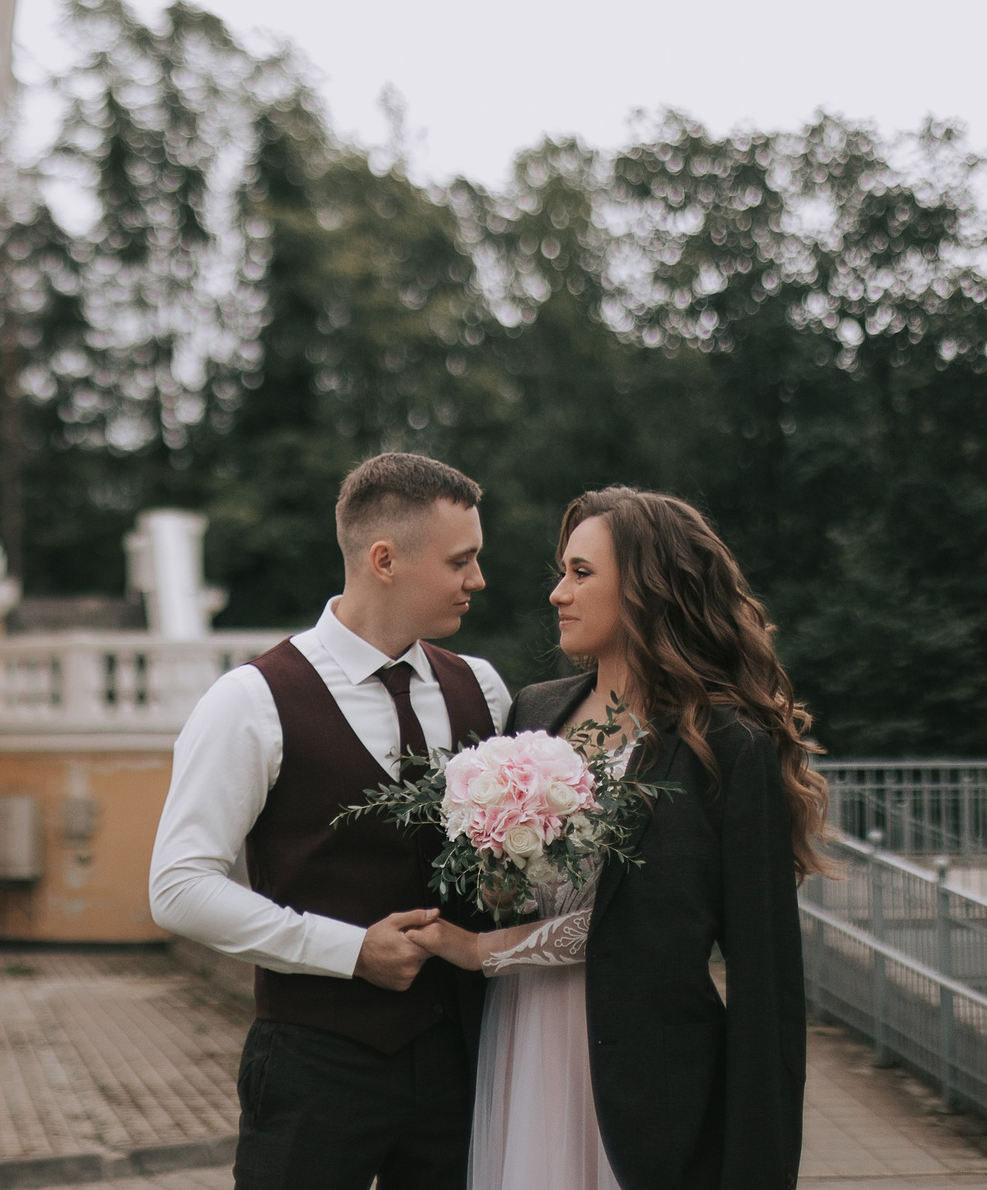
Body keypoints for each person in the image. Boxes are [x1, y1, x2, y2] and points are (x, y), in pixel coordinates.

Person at [406, 487, 825, 1190]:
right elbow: (514, 887)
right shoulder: (534, 709)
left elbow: (767, 982)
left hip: (654, 1077)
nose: (557, 593)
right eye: (561, 572)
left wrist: (761, 1166)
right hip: (521, 1039)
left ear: (646, 587)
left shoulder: (727, 744)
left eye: (580, 572)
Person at [149, 452, 514, 1190]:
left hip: (465, 1061)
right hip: (316, 1065)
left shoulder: (483, 686)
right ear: (385, 559)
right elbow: (179, 885)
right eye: (461, 560)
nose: (478, 579)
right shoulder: (251, 699)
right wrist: (349, 949)